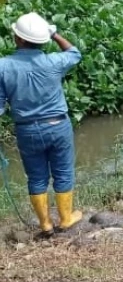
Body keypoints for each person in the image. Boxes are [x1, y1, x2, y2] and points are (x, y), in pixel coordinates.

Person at [0, 12, 83, 237]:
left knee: (36, 177)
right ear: (43, 40)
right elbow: (75, 53)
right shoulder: (54, 61)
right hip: (58, 126)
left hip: (27, 130)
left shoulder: (3, 66)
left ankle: (45, 224)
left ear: (18, 38)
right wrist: (55, 34)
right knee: (63, 173)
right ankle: (65, 219)